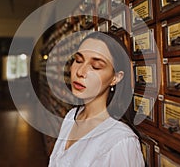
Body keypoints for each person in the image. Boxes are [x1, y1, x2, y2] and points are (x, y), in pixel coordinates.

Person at [48, 31, 144, 167]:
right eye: (78, 60)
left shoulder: (121, 141)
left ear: (115, 77)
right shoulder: (71, 117)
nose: (80, 72)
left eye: (96, 66)